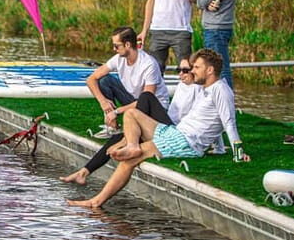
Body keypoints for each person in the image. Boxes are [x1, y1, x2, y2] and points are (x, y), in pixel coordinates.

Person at [68, 49, 250, 208]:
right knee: (131, 114)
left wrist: (238, 154)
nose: (192, 71)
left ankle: (96, 201)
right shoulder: (205, 88)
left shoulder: (221, 90)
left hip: (186, 142)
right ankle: (131, 144)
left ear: (210, 70)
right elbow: (211, 123)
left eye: (197, 67)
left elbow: (228, 123)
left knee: (129, 161)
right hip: (176, 133)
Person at [61, 57, 200, 185]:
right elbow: (91, 79)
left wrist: (217, 147)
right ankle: (84, 172)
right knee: (119, 136)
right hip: (166, 126)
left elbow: (207, 122)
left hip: (175, 132)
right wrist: (105, 105)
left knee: (146, 97)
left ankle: (127, 142)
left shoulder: (199, 90)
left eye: (185, 71)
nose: (180, 74)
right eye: (178, 70)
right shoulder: (183, 86)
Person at [86, 26, 170, 138]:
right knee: (104, 80)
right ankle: (113, 127)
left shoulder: (149, 64)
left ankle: (126, 126)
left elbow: (147, 99)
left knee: (142, 102)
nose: (114, 49)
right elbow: (91, 79)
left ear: (127, 45)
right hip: (135, 99)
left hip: (154, 106)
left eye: (116, 46)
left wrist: (117, 111)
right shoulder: (118, 58)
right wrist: (103, 102)